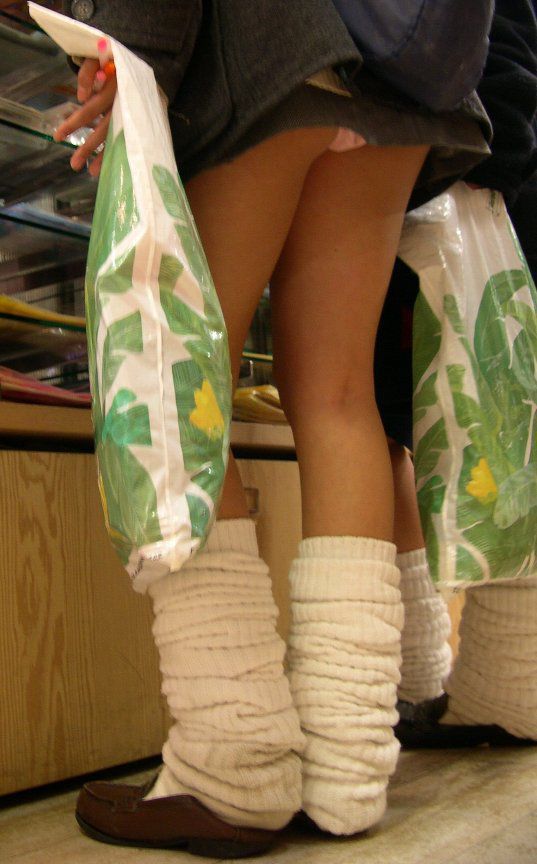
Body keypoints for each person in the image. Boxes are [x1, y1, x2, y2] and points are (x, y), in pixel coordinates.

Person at [54, 1, 492, 856]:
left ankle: (233, 763)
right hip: (398, 77)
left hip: (263, 44)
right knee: (337, 396)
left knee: (181, 377)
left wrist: (133, 53)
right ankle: (346, 766)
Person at [374, 0, 537, 748]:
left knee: (390, 419)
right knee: (495, 424)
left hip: (457, 172)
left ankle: (486, 685)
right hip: (476, 171)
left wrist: (472, 172)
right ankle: (483, 682)